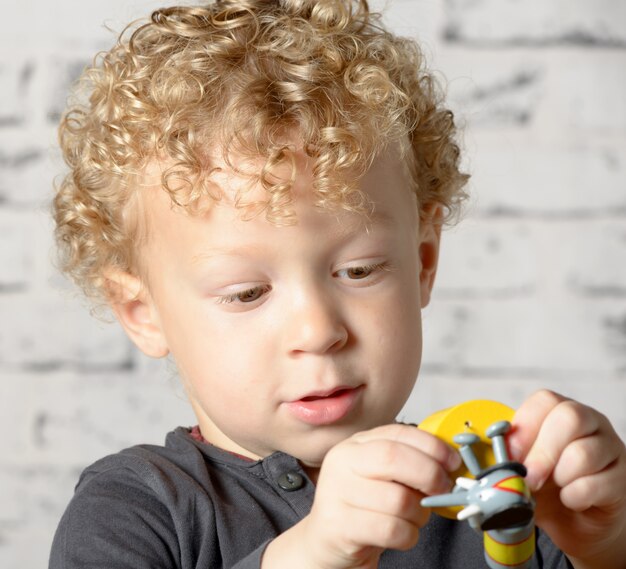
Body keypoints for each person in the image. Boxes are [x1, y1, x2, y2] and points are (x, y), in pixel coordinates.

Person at [49, 1, 626, 568]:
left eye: (359, 270)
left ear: (423, 261)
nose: (318, 330)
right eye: (248, 292)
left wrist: (604, 547)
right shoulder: (134, 512)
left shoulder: (502, 493)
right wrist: (313, 556)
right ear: (142, 312)